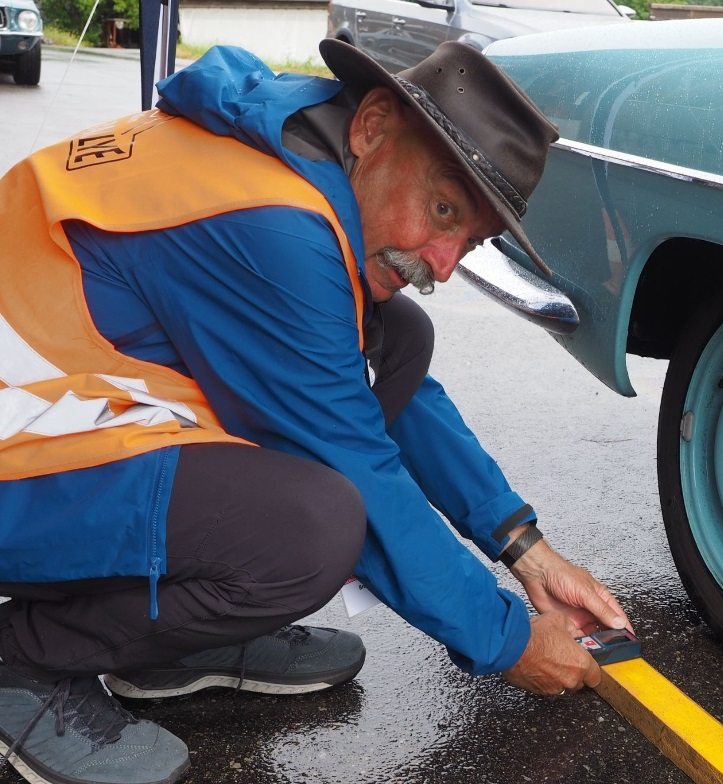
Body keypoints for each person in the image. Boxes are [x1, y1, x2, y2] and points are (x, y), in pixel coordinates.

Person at [0, 38, 631, 784]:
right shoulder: (274, 227)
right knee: (309, 531)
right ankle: (23, 661)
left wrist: (523, 545)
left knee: (399, 339)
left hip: (59, 399)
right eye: (442, 210)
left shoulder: (295, 143)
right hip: (20, 447)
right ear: (371, 126)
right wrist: (509, 640)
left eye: (468, 240)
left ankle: (168, 639)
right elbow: (353, 457)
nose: (441, 263)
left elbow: (365, 386)